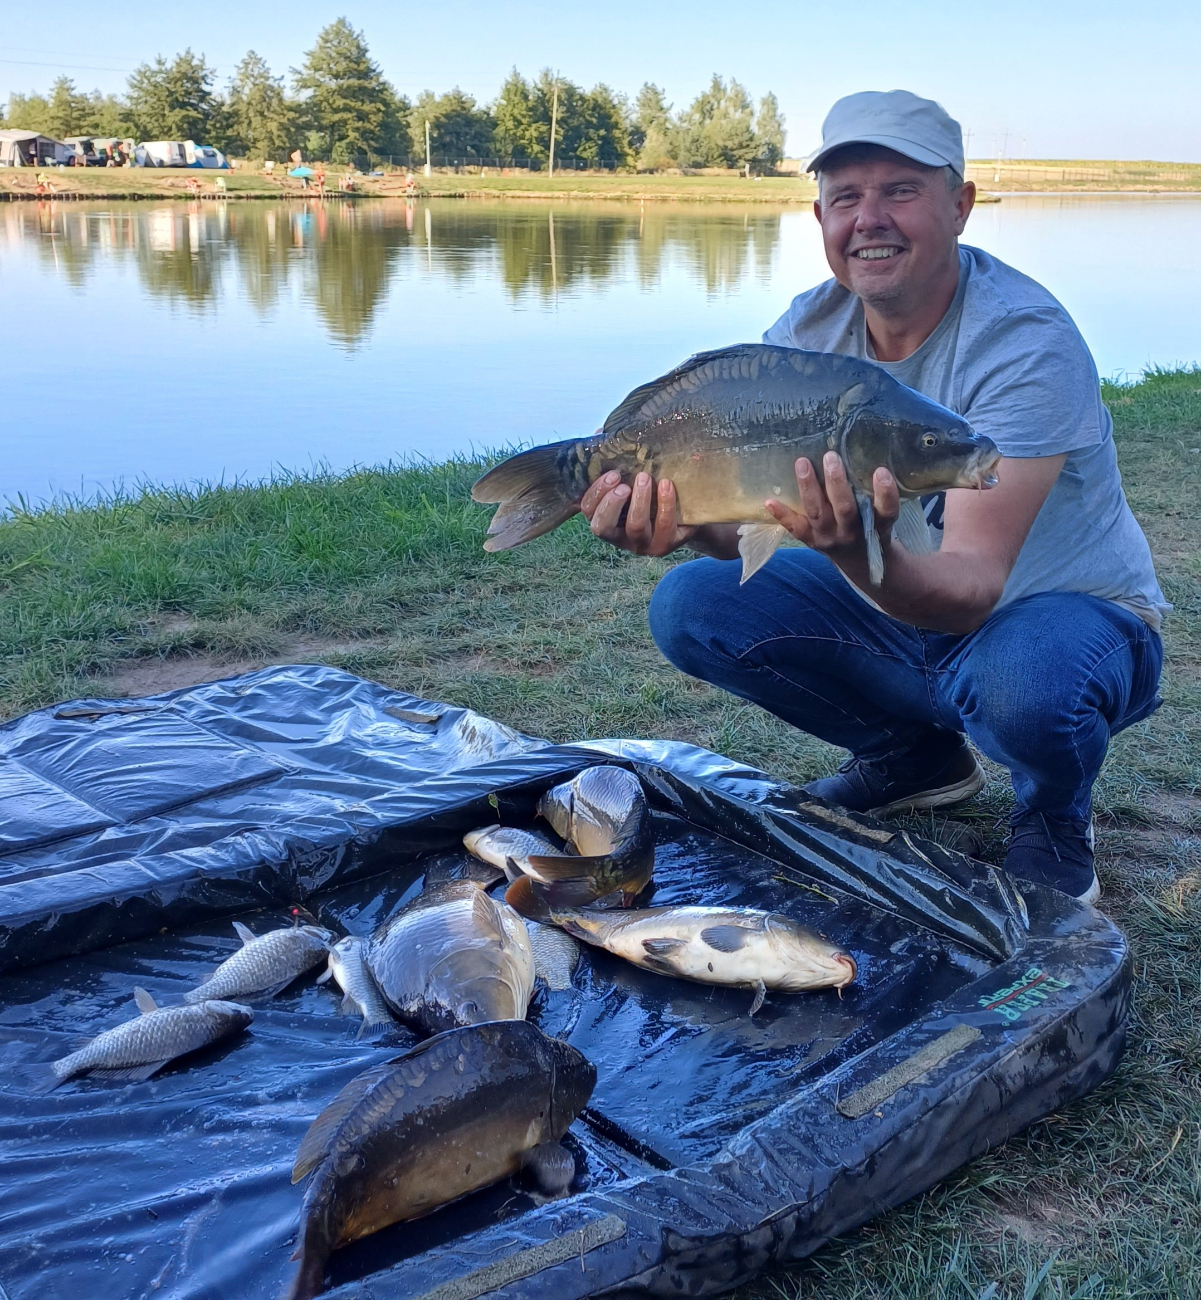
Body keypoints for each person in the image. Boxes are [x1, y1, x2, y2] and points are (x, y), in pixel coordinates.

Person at [581, 90, 1166, 904]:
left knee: (1025, 678)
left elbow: (967, 590)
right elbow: (743, 522)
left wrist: (852, 544)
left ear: (959, 205)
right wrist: (676, 525)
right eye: (845, 197)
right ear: (818, 215)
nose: (869, 219)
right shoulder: (806, 336)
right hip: (898, 610)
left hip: (1061, 618)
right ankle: (914, 759)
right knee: (693, 603)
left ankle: (1053, 818)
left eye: (900, 191)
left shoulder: (1024, 342)